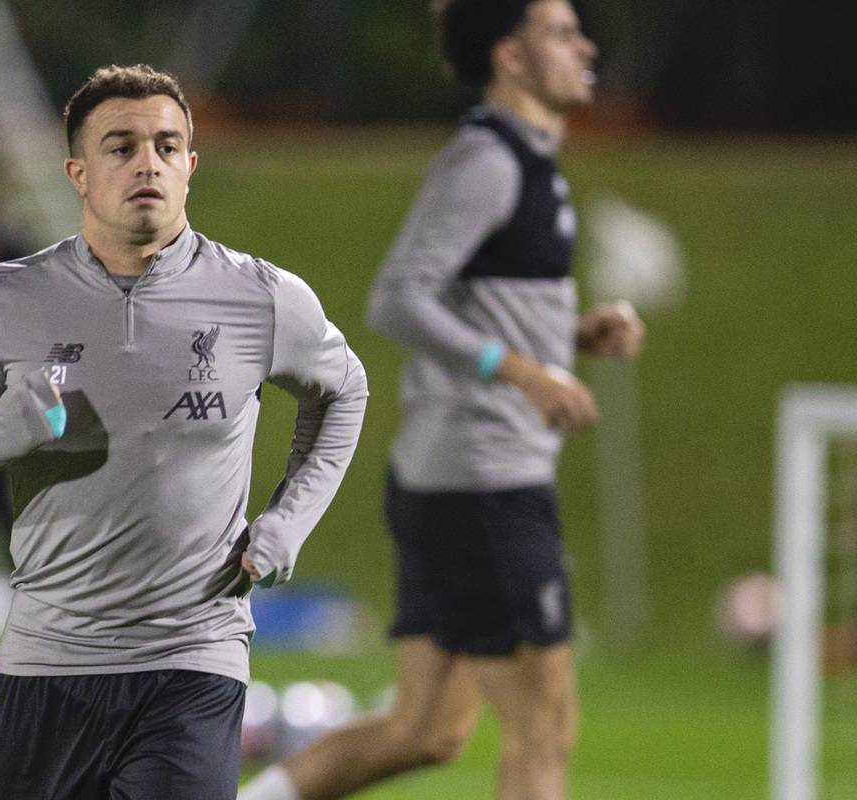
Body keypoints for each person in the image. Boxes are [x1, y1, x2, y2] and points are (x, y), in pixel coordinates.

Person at [0, 64, 368, 800]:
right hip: (47, 665)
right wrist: (10, 430)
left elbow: (345, 393)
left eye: (167, 145)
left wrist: (289, 520)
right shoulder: (4, 299)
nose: (148, 161)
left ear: (190, 166)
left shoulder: (262, 297)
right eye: (121, 147)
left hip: (193, 659)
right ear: (78, 174)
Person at [239, 2, 645, 800]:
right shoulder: (487, 161)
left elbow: (477, 311)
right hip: (485, 486)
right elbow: (397, 298)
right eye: (562, 32)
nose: (584, 44)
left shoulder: (530, 161)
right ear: (512, 57)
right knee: (543, 730)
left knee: (425, 730)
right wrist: (525, 374)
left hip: (458, 484)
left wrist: (574, 340)